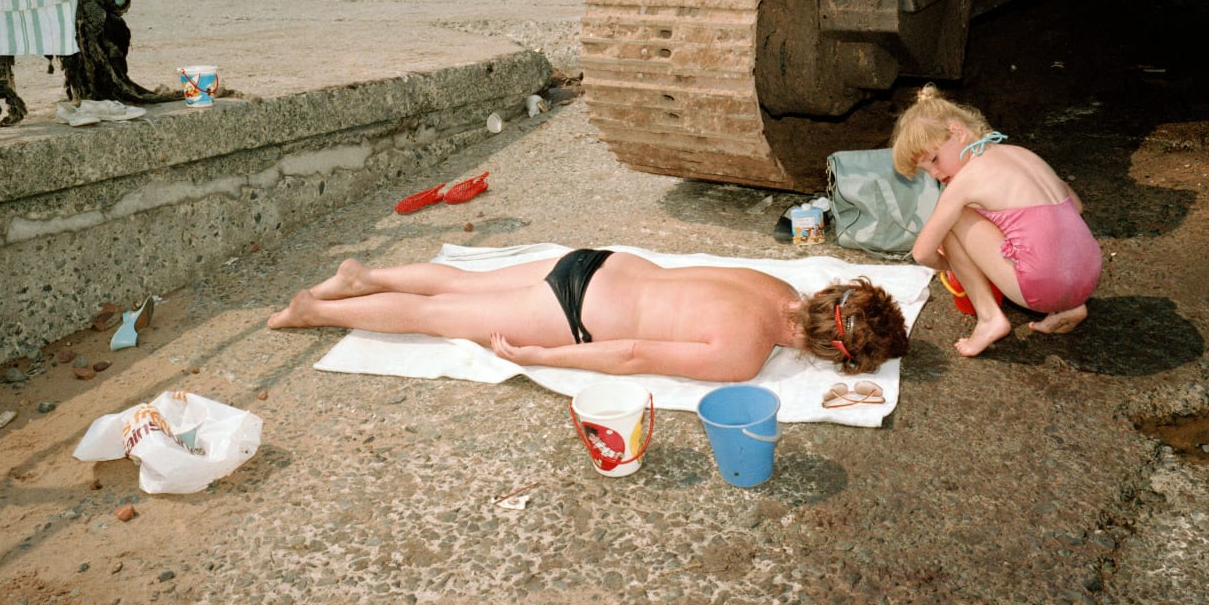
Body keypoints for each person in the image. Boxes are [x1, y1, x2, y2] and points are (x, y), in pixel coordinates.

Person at [267, 250, 908, 382]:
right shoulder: (745, 354)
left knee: (467, 283)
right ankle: (314, 311)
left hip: (598, 264)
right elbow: (631, 355)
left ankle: (364, 276)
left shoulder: (775, 286)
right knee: (440, 317)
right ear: (830, 352)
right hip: (577, 310)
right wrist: (542, 357)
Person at [891, 84, 1102, 358]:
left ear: (958, 132)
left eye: (934, 160)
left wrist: (954, 264)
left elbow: (921, 253)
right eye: (925, 170)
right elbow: (1076, 205)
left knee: (953, 219)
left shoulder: (966, 181)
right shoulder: (1023, 154)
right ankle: (1069, 304)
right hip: (1088, 273)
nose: (933, 173)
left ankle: (989, 317)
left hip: (1043, 285)